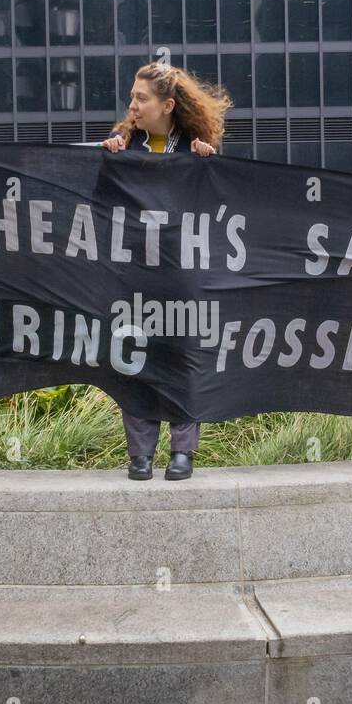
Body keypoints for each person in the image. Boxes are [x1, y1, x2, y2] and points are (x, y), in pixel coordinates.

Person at [101, 62, 228, 481]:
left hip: (180, 275)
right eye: (132, 96)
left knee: (180, 357)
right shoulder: (122, 147)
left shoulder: (195, 151)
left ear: (168, 105)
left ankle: (182, 451)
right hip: (133, 274)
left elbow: (217, 211)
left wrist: (208, 167)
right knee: (135, 358)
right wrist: (107, 165)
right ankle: (140, 455)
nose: (132, 104)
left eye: (142, 97)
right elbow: (99, 211)